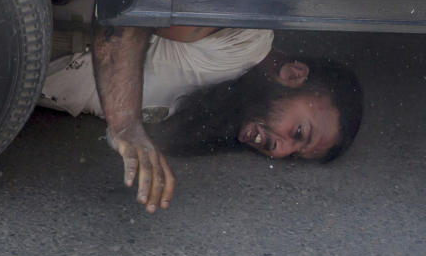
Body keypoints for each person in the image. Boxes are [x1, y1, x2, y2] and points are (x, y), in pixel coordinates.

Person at [38, 25, 363, 214]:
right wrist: (126, 124)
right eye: (298, 132)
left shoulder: (225, 104)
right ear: (294, 74)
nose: (279, 150)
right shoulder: (243, 39)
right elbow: (130, 12)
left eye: (292, 155)